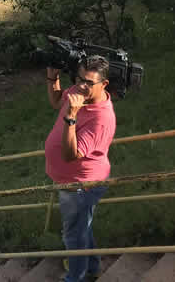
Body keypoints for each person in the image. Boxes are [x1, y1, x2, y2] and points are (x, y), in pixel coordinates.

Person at [44, 55, 117, 282]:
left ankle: (75, 278)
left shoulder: (101, 118)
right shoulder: (79, 93)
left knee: (73, 236)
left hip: (81, 186)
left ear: (104, 84)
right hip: (70, 181)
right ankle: (92, 268)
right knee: (81, 227)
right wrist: (52, 77)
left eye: (89, 82)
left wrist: (71, 117)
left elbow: (70, 155)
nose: (82, 86)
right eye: (79, 79)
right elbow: (57, 102)